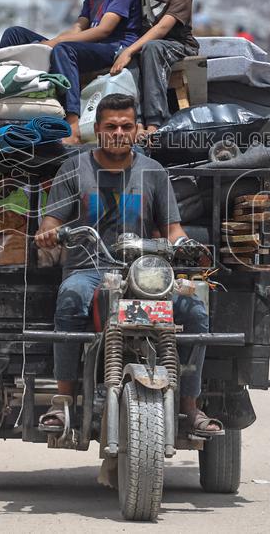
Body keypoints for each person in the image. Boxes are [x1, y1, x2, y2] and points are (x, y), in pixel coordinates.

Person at [34, 93, 222, 436]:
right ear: (97, 130)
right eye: (111, 126)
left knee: (195, 311)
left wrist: (188, 246)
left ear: (137, 130)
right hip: (87, 271)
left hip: (146, 274)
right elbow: (51, 223)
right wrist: (49, 234)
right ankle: (62, 402)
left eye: (126, 126)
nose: (118, 132)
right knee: (70, 298)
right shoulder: (74, 168)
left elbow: (173, 230)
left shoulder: (153, 172)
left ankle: (190, 407)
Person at [0, 0, 142, 143]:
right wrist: (45, 44)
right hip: (88, 48)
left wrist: (54, 45)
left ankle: (72, 125)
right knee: (14, 35)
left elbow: (103, 31)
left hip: (114, 49)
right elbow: (77, 28)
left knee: (65, 49)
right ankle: (11, 94)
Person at [109, 0, 199, 134]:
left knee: (150, 48)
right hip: (149, 43)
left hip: (176, 45)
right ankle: (135, 121)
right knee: (129, 53)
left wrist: (131, 49)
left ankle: (155, 123)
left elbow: (161, 30)